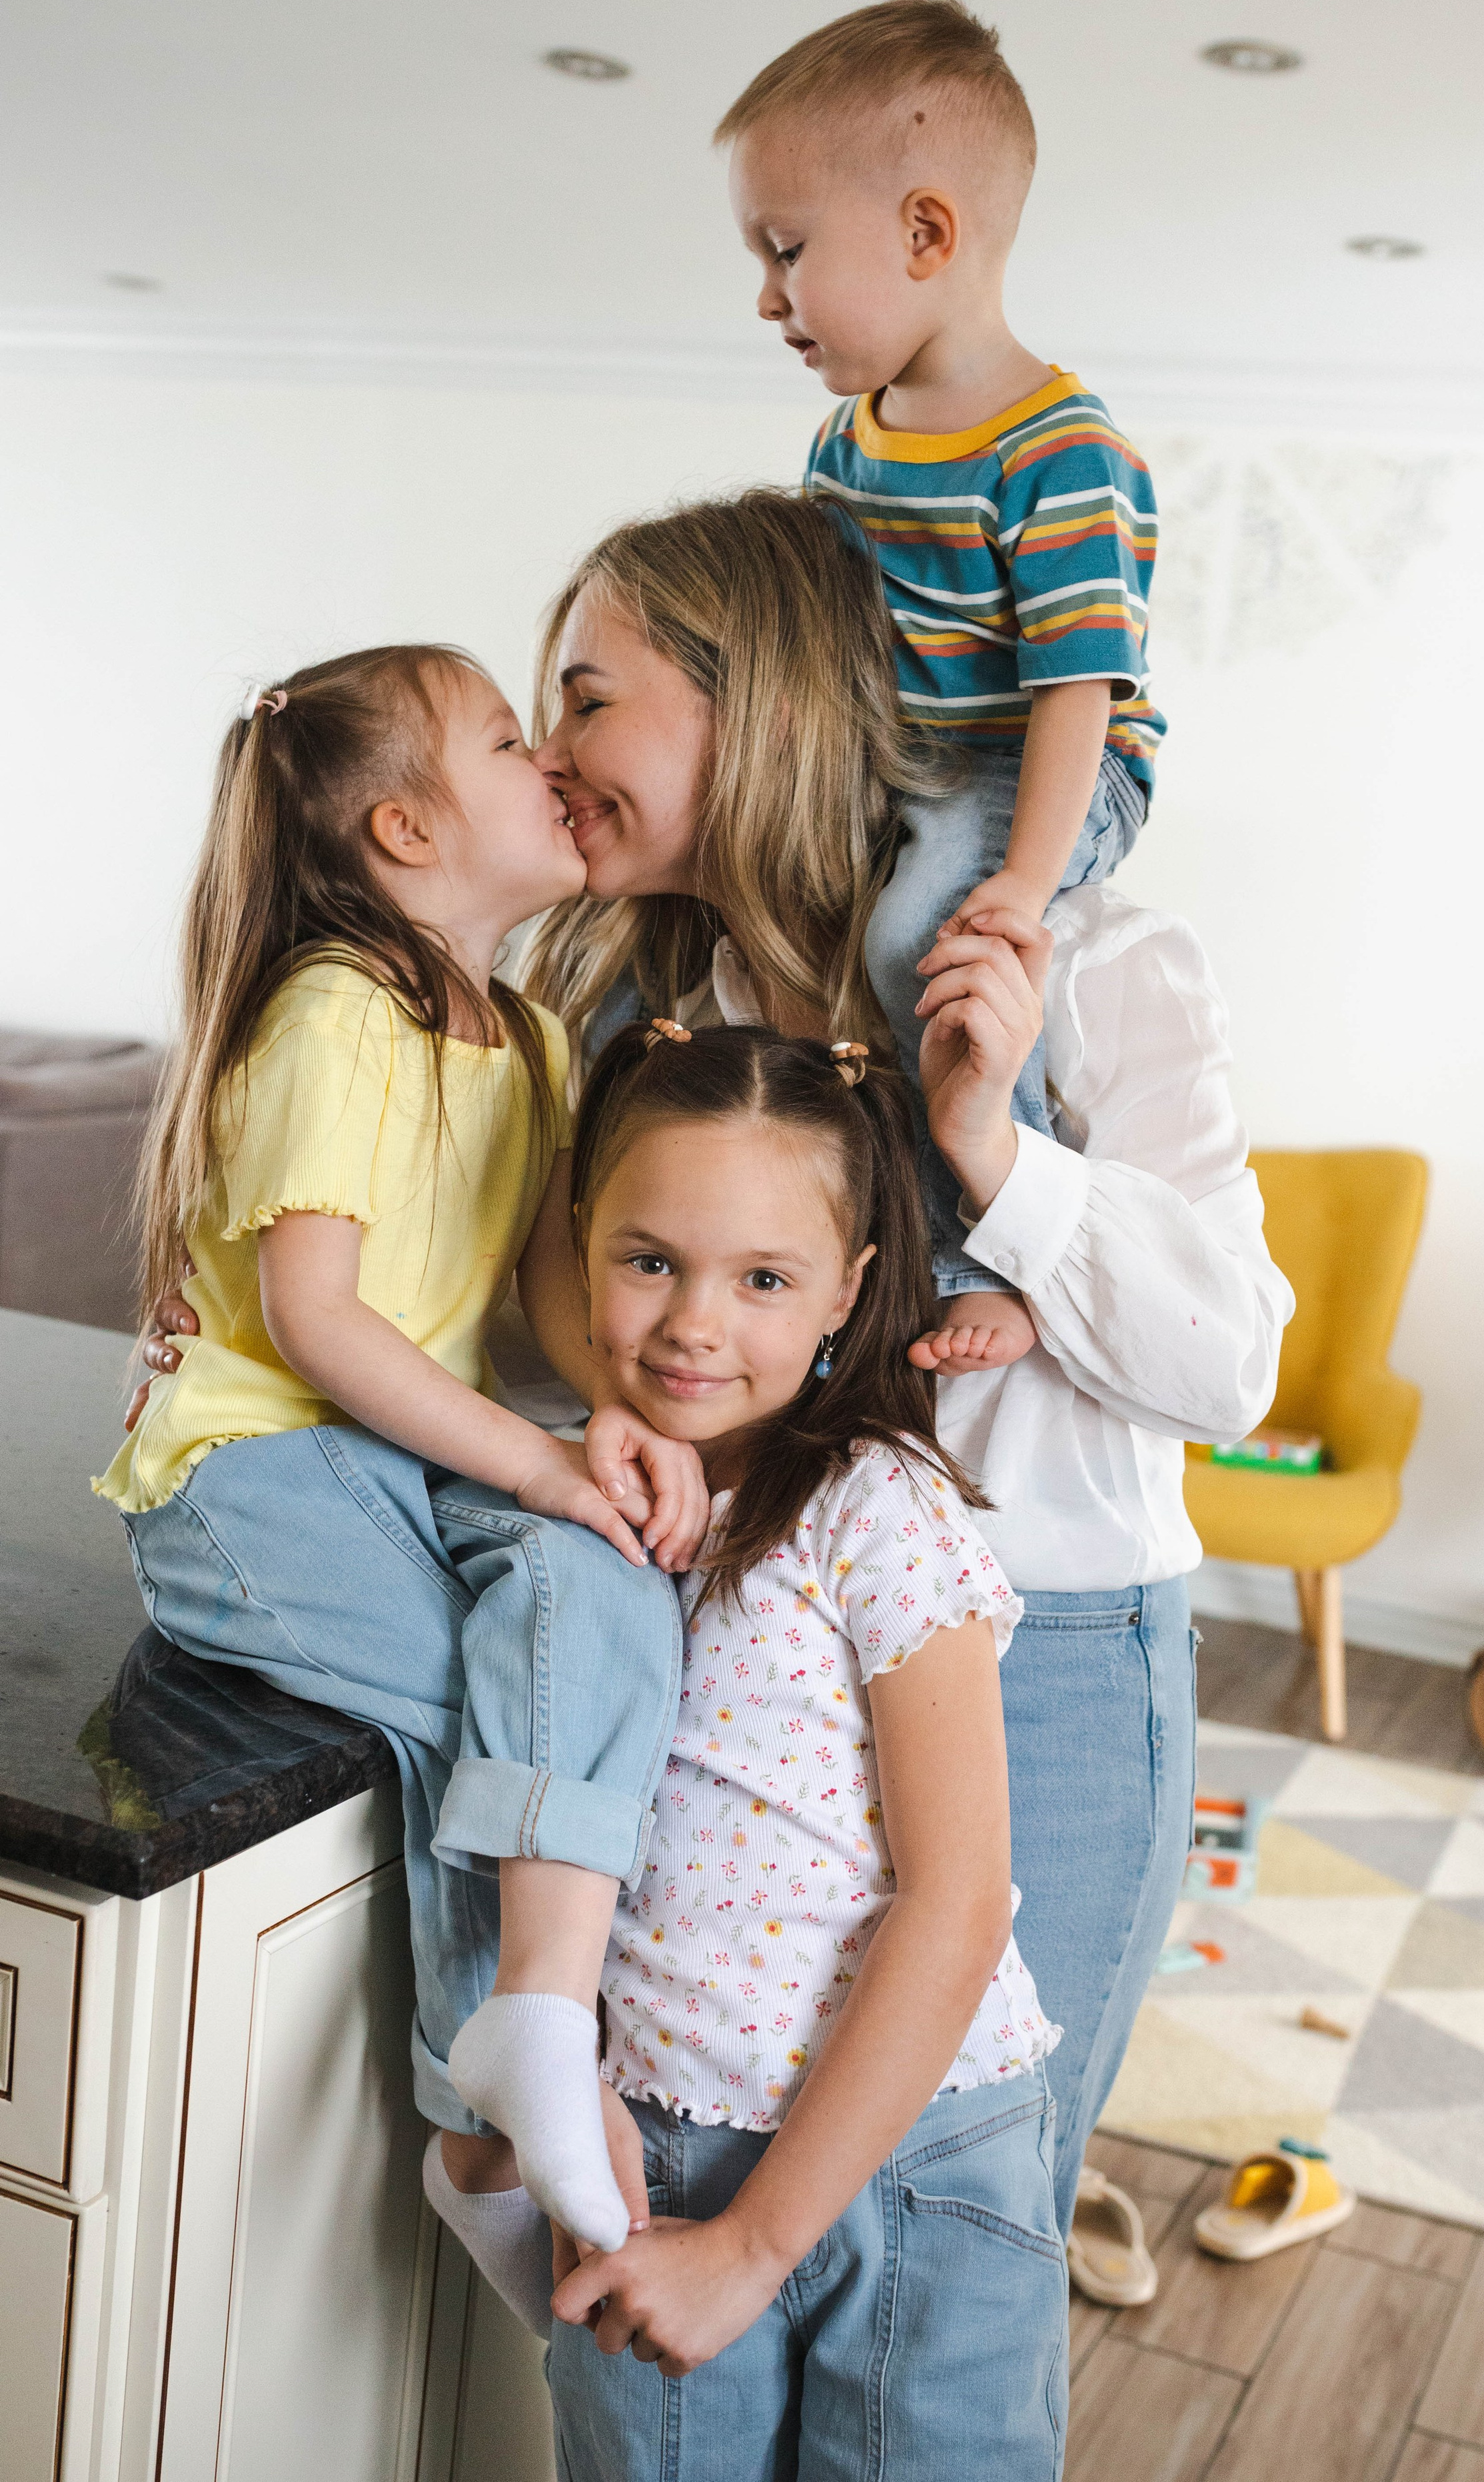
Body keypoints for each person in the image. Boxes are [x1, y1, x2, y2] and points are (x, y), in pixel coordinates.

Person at [137, 487, 1289, 2325]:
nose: (558, 754)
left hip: (1039, 1660)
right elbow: (524, 1337)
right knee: (687, 2239)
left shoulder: (1084, 959)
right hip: (721, 1653)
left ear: (747, 704)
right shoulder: (624, 1014)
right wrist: (256, 1306)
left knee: (952, 2248)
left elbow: (1236, 1364)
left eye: (582, 700)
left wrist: (989, 1152)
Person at [99, 644, 710, 2290]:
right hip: (249, 1474)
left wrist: (609, 1425)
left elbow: (536, 1299)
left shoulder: (527, 1034)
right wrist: (538, 1461)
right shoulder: (334, 1010)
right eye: (513, 741)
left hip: (390, 1451)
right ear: (406, 834)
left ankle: (501, 2086)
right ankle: (501, 2078)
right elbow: (312, 1319)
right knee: (469, 1688)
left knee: (601, 1594)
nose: (550, 762)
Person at [545, 1018, 1066, 2473]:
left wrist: (760, 2241)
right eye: (648, 1259)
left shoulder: (875, 1508)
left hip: (907, 2152)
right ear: (581, 1242)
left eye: (761, 1280)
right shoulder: (561, 1499)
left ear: (842, 1292)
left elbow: (958, 1904)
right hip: (646, 2149)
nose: (693, 1322)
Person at [718, 0, 1166, 1384]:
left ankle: (986, 1250)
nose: (764, 299)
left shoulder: (1059, 452)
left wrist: (1019, 893)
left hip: (1034, 765)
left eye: (786, 252)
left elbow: (1076, 696)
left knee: (931, 931)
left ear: (924, 233)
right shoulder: (844, 445)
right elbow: (825, 640)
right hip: (900, 756)